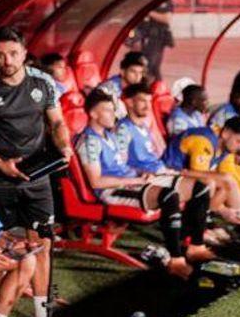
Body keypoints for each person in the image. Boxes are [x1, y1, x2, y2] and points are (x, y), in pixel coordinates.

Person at [0, 26, 72, 317]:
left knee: (42, 246)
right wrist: (2, 165)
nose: (6, 60)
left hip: (38, 176)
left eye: (12, 53)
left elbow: (57, 122)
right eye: (0, 54)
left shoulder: (44, 83)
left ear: (24, 53)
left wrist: (63, 144)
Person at [75, 90, 210, 279]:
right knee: (169, 196)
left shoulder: (109, 135)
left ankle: (196, 246)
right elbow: (96, 181)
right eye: (107, 110)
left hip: (132, 181)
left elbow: (121, 165)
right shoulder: (89, 141)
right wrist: (134, 180)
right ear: (93, 113)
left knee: (200, 188)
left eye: (113, 110)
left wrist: (142, 174)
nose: (113, 114)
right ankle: (176, 259)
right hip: (111, 190)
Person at [181, 117, 240, 236]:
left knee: (237, 176)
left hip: (191, 175)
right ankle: (195, 234)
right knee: (220, 182)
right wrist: (223, 210)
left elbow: (228, 171)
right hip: (170, 174)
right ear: (226, 133)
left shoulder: (225, 143)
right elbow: (195, 173)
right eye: (239, 141)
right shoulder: (204, 141)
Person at [96, 51, 147, 119]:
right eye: (133, 71)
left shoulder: (135, 90)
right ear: (122, 72)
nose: (137, 77)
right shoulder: (109, 90)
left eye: (140, 73)